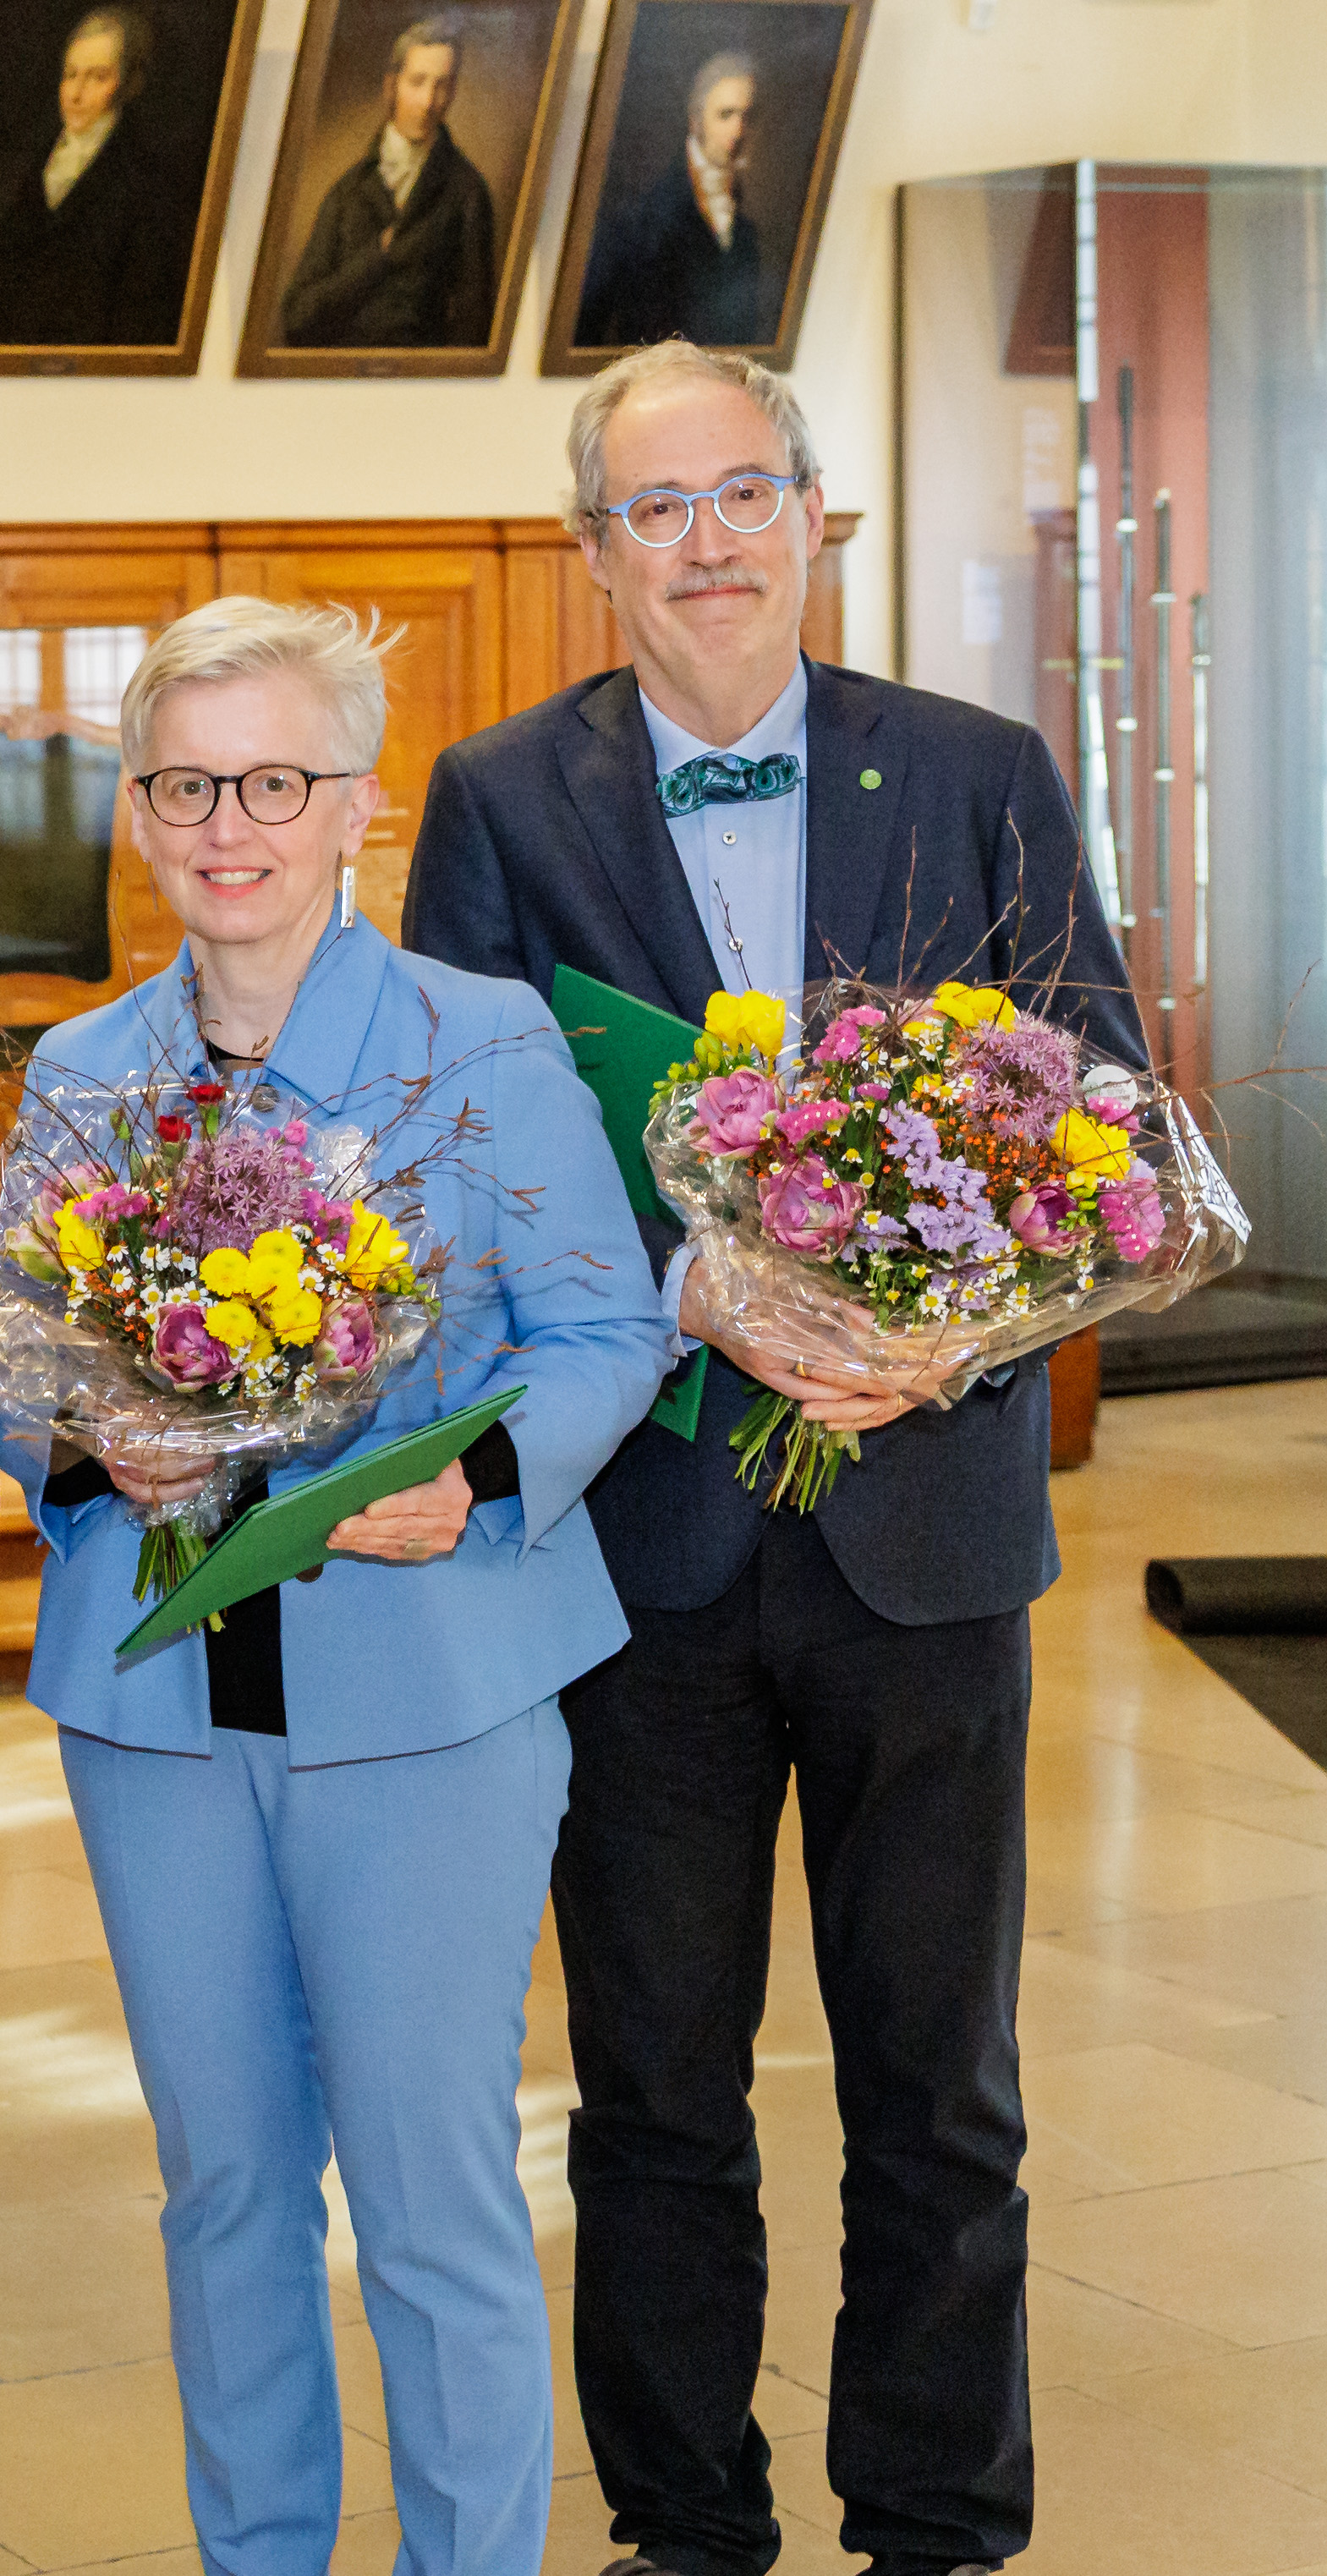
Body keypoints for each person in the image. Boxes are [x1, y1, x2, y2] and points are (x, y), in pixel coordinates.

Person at [403, 341, 1143, 2576]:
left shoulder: (986, 768)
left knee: (943, 2086)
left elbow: (1096, 1097)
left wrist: (935, 1332)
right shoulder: (498, 794)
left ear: (816, 511)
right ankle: (685, 2522)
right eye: (657, 507)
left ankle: (937, 2522)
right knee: (652, 2093)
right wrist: (686, 1288)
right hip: (643, 1538)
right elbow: (458, 1145)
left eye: (743, 491)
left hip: (926, 1521)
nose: (708, 541)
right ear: (591, 551)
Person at [0, 598, 678, 2576]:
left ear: (357, 806)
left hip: (428, 1704)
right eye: (190, 783)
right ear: (138, 814)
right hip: (161, 1710)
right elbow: (3, 1360)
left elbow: (603, 1335)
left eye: (274, 781)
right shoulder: (84, 1067)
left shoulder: (485, 1040)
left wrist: (467, 1478)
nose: (233, 824)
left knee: (432, 2187)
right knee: (221, 2186)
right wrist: (74, 1440)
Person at [0, 0, 211, 349]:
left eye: (98, 77)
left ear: (127, 84)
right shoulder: (27, 163)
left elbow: (141, 309)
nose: (77, 94)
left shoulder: (147, 182)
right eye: (71, 75)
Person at [277, 11, 502, 351]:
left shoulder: (467, 191)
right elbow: (297, 319)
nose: (428, 102)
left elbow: (475, 330)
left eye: (441, 86)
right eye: (417, 82)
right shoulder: (348, 191)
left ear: (453, 92)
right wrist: (377, 257)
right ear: (391, 85)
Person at [575, 52, 782, 352]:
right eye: (725, 115)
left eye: (748, 117)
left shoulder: (747, 230)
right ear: (696, 120)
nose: (738, 131)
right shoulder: (640, 219)